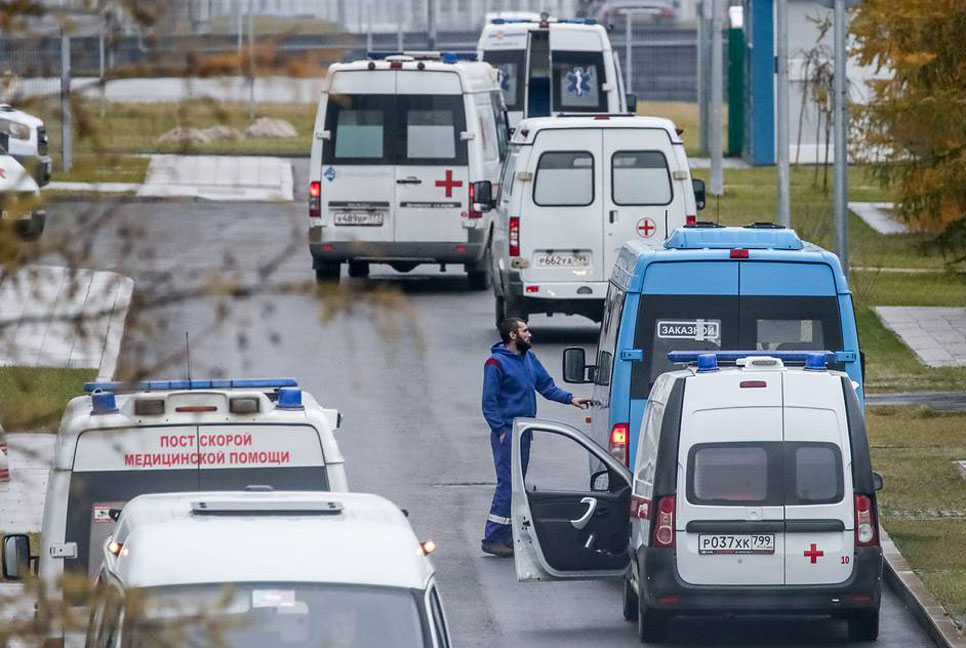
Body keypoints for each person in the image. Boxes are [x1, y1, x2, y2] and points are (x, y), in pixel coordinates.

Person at [480, 317, 590, 557]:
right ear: (512, 336)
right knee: (508, 484)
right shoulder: (495, 363)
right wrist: (500, 431)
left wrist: (570, 398)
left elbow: (546, 386)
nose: (530, 334)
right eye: (525, 330)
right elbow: (488, 403)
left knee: (517, 485)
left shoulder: (528, 358)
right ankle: (493, 537)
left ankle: (507, 536)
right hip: (508, 433)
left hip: (524, 431)